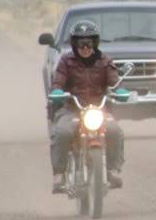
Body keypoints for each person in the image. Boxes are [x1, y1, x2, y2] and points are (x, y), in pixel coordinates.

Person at [49, 20, 125, 193]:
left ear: (95, 43)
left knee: (114, 130)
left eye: (89, 42)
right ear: (74, 44)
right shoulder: (66, 61)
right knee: (62, 132)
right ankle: (59, 173)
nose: (85, 47)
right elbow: (58, 81)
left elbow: (114, 80)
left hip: (98, 110)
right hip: (71, 109)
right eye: (81, 43)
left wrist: (120, 90)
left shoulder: (105, 61)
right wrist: (57, 92)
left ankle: (112, 169)